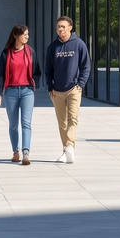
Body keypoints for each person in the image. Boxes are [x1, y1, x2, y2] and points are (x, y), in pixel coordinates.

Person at [46, 15, 90, 163]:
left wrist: (81, 84)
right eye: (58, 27)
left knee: (73, 118)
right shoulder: (53, 47)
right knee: (62, 122)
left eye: (63, 27)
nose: (60, 30)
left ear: (70, 27)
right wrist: (50, 86)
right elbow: (48, 69)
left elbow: (86, 66)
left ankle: (70, 146)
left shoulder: (79, 44)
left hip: (74, 89)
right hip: (57, 90)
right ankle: (66, 150)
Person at [0, 24, 40, 165]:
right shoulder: (6, 53)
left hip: (27, 91)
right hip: (11, 92)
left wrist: (35, 84)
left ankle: (26, 152)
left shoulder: (31, 52)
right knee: (14, 124)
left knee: (26, 123)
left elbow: (38, 71)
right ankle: (16, 151)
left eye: (28, 34)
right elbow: (0, 74)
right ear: (16, 35)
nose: (27, 36)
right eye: (24, 34)